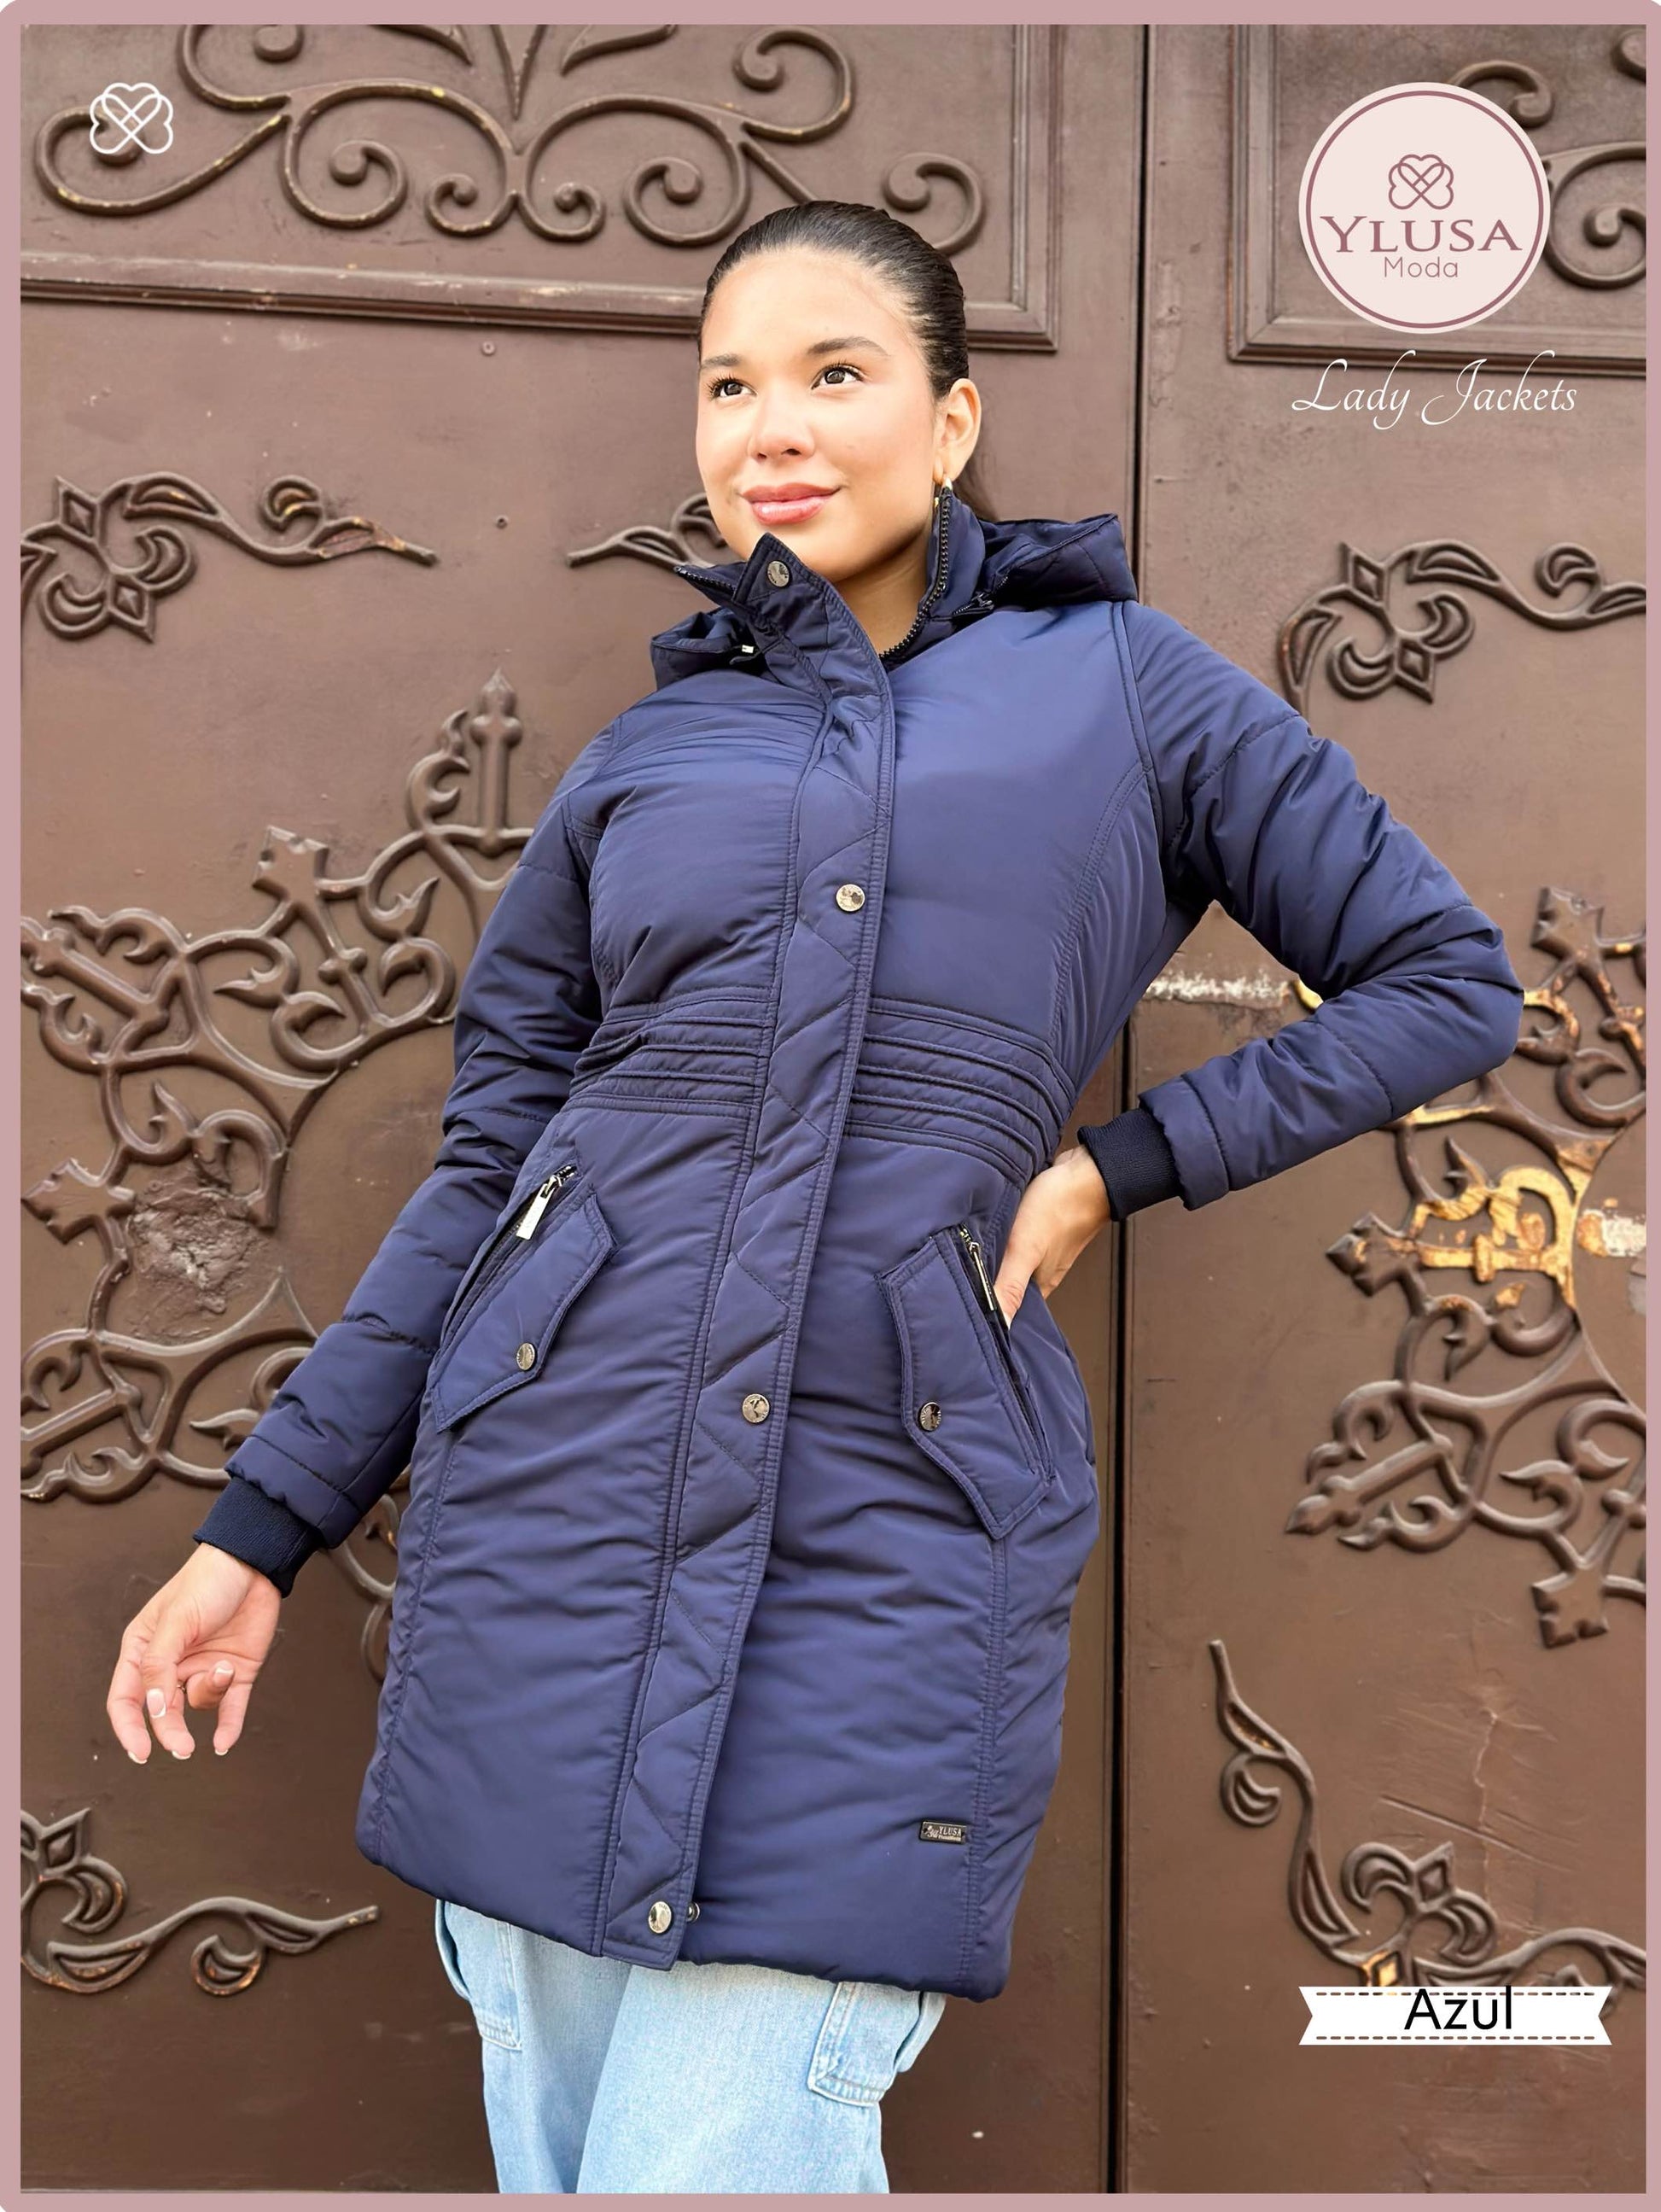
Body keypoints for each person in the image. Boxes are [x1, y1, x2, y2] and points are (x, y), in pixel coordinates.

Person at [105, 200, 1525, 2192]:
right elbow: (492, 1176)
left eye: (832, 374)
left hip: (884, 1543)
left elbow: (1443, 979)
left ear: (950, 421)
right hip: (546, 1550)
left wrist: (1118, 1165)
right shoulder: (649, 754)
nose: (769, 426)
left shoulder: (1125, 689)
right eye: (727, 386)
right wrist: (262, 1530)